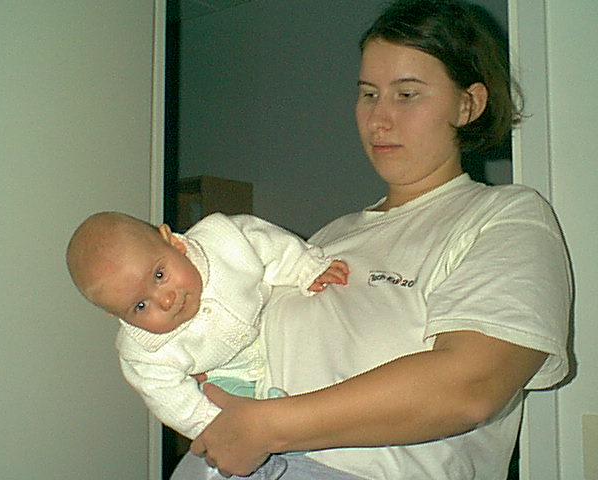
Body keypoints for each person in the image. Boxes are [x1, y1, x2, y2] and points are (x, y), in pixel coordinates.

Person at [177, 1, 572, 479]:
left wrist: (267, 426)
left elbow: (472, 385)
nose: (378, 119)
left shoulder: (503, 216)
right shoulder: (327, 239)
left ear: (469, 104)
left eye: (406, 94)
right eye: (368, 94)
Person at [66, 211, 349, 480]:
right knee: (234, 448)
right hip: (227, 378)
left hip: (271, 332)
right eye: (140, 306)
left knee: (315, 379)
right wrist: (218, 427)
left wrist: (304, 267)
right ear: (116, 315)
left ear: (173, 242)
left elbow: (267, 244)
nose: (166, 300)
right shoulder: (141, 352)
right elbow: (172, 400)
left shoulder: (222, 242)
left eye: (159, 275)